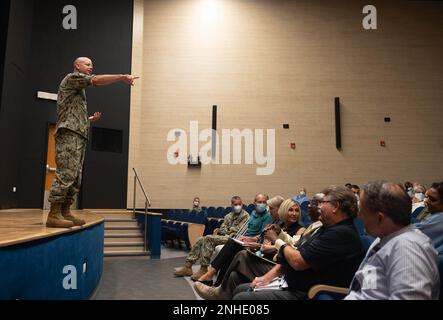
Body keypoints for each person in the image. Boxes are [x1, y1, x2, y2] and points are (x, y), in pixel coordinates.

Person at [46, 57, 138, 228]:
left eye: (92, 65)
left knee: (75, 176)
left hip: (79, 133)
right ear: (77, 65)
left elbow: (71, 112)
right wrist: (121, 77)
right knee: (66, 173)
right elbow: (95, 80)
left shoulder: (79, 89)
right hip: (69, 133)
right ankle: (53, 214)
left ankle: (65, 211)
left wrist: (88, 119)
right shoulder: (71, 78)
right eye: (87, 64)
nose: (90, 67)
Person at [232, 186, 364, 300]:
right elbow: (294, 255)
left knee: (241, 297)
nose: (319, 207)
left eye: (323, 202)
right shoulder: (326, 228)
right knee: (240, 288)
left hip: (306, 292)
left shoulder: (340, 233)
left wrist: (277, 241)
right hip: (290, 282)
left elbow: (297, 261)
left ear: (335, 206)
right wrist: (265, 279)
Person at [194, 198, 306, 299]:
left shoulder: (300, 230)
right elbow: (265, 246)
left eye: (297, 211)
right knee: (234, 275)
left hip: (274, 263)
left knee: (241, 254)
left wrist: (275, 245)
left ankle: (214, 283)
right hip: (265, 255)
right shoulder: (278, 226)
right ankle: (219, 290)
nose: (294, 213)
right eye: (291, 210)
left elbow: (293, 249)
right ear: (284, 211)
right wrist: (271, 245)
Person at [345, 181, 439, 300]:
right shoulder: (387, 238)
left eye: (362, 211)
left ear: (380, 218)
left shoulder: (408, 249)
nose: (359, 216)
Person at [193, 194, 273, 287]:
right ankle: (217, 284)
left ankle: (210, 275)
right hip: (244, 240)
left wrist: (248, 238)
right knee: (230, 251)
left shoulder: (267, 216)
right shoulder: (253, 213)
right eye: (259, 202)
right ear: (254, 203)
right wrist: (243, 237)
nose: (262, 204)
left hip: (252, 243)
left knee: (231, 244)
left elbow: (262, 236)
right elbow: (226, 228)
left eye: (264, 202)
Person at [173, 196, 249, 280]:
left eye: (239, 204)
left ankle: (204, 269)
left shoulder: (245, 216)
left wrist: (229, 230)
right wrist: (230, 230)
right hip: (225, 236)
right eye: (235, 204)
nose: (238, 206)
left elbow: (240, 230)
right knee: (200, 239)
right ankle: (188, 266)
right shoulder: (228, 216)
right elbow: (222, 228)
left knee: (208, 238)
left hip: (234, 239)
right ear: (231, 205)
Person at [415, 181, 443, 254]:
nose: (427, 201)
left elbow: (414, 229)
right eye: (427, 197)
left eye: (432, 199)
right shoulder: (424, 210)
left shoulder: (440, 218)